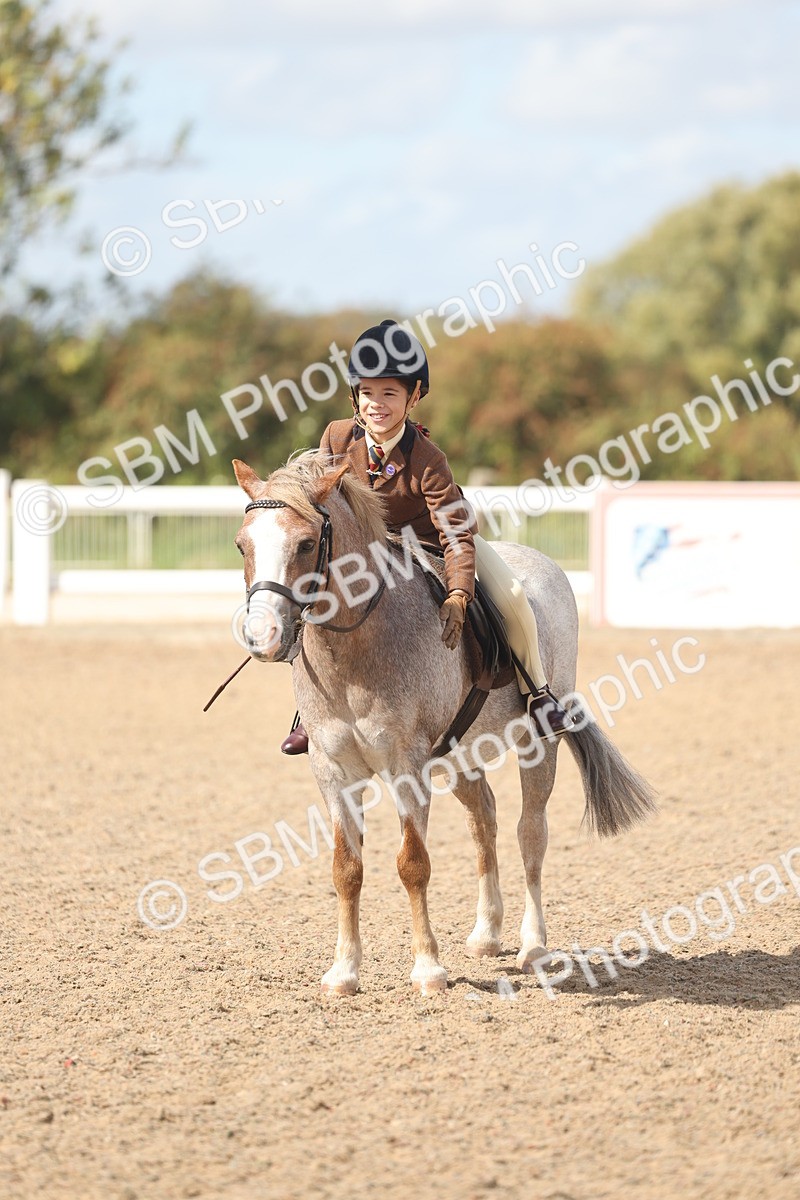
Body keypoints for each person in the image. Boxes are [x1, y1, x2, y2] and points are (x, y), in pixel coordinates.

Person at [280, 319, 574, 754]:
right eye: (367, 393)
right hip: (366, 550)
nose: (376, 404)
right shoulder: (336, 437)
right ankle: (311, 712)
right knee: (314, 599)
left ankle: (538, 693)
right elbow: (319, 500)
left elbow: (455, 535)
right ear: (354, 396)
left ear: (413, 397)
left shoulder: (428, 458)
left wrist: (457, 594)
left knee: (512, 594)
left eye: (389, 393)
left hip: (431, 544)